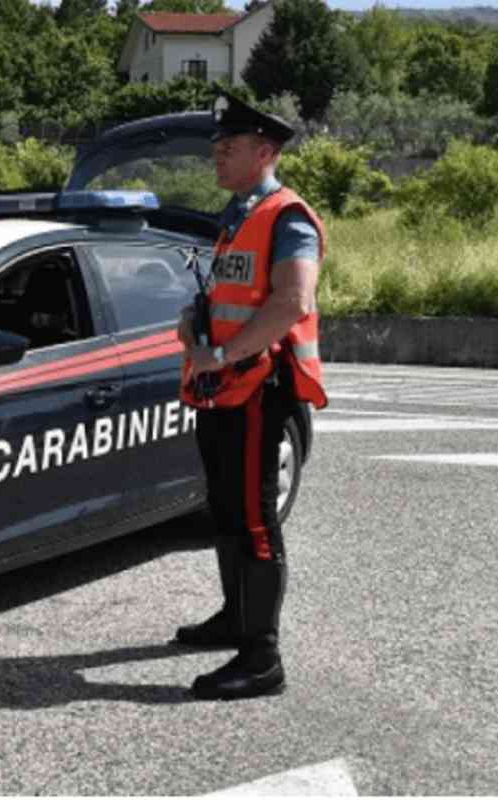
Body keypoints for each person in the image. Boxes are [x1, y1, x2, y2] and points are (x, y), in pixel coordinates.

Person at [174, 92, 328, 700]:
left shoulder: (288, 216)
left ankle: (261, 657)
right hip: (221, 389)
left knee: (256, 521)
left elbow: (292, 301)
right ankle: (235, 618)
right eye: (217, 144)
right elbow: (230, 292)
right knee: (226, 511)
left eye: (228, 147)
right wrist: (196, 320)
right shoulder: (238, 215)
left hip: (259, 389)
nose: (217, 154)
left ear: (264, 152)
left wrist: (221, 354)